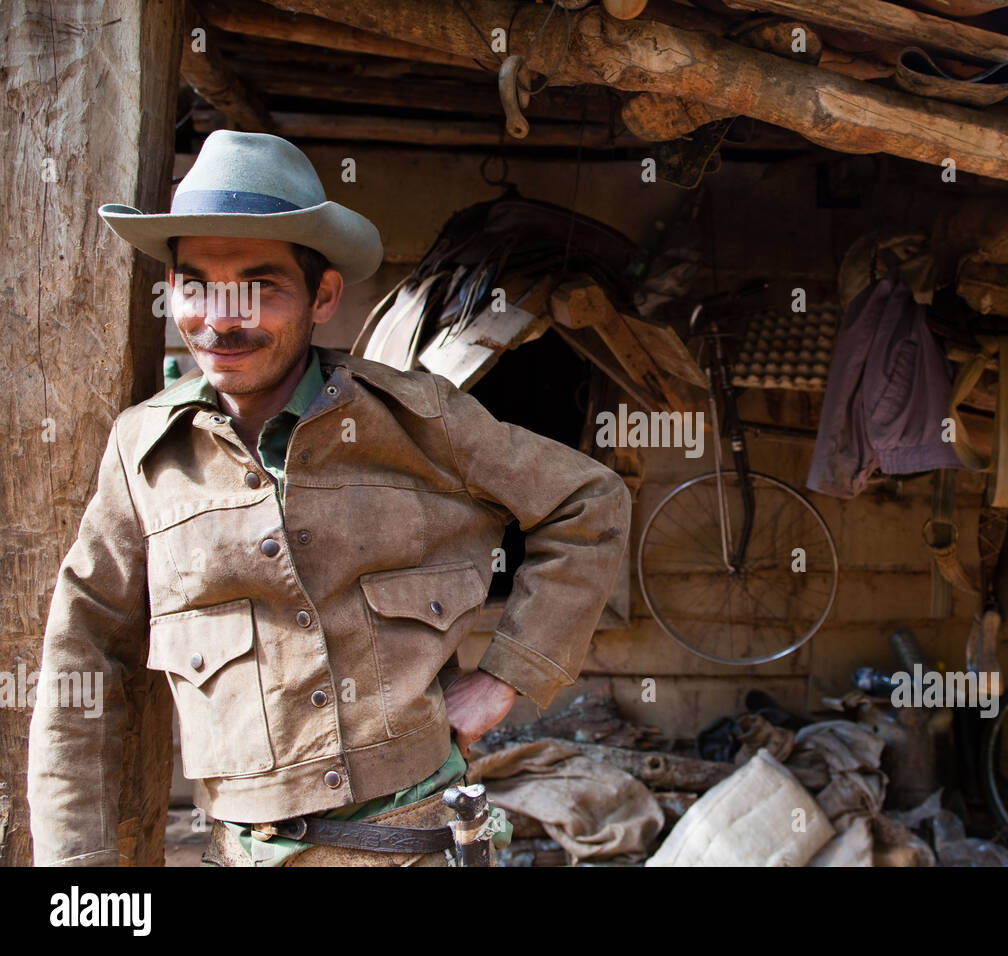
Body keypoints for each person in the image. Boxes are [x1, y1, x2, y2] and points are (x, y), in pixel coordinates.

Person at [26, 130, 631, 866]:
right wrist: (75, 876)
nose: (221, 319)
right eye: (196, 284)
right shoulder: (143, 454)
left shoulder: (418, 421)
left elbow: (588, 502)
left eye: (259, 285)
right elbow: (82, 662)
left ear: (324, 296)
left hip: (415, 845)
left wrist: (508, 677)